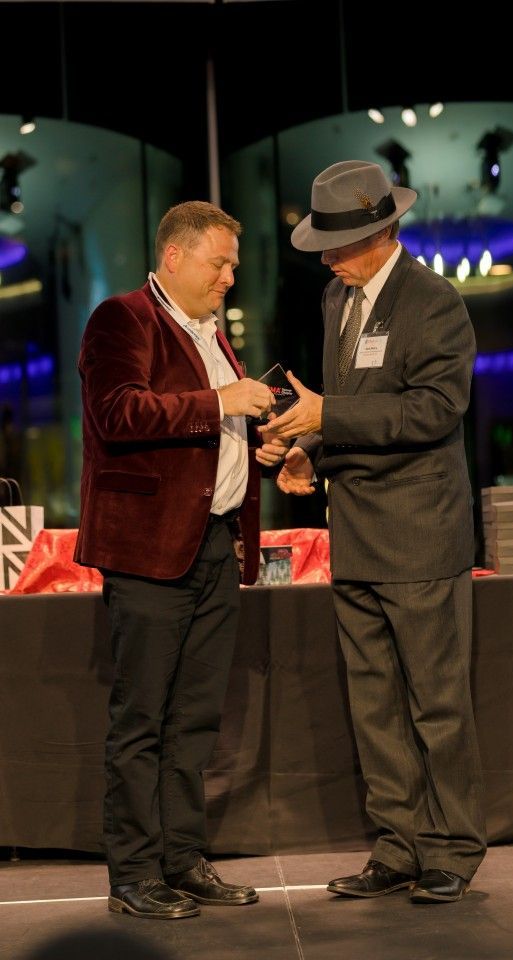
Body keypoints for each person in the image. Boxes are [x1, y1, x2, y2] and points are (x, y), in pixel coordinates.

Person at [257, 161, 487, 903]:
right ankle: (399, 845)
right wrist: (306, 448)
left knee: (436, 704)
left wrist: (327, 419)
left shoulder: (435, 303)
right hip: (355, 532)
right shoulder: (335, 298)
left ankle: (453, 847)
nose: (328, 256)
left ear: (385, 232)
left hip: (420, 536)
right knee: (376, 703)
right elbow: (346, 402)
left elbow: (434, 411)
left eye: (342, 240)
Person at [74, 200, 277, 919]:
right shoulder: (121, 319)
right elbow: (118, 412)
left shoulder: (213, 334)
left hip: (214, 548)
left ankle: (182, 859)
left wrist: (260, 445)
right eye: (218, 262)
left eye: (232, 265)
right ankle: (133, 874)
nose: (229, 277)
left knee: (194, 721)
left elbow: (208, 440)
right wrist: (222, 399)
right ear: (173, 258)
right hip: (150, 554)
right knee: (142, 721)